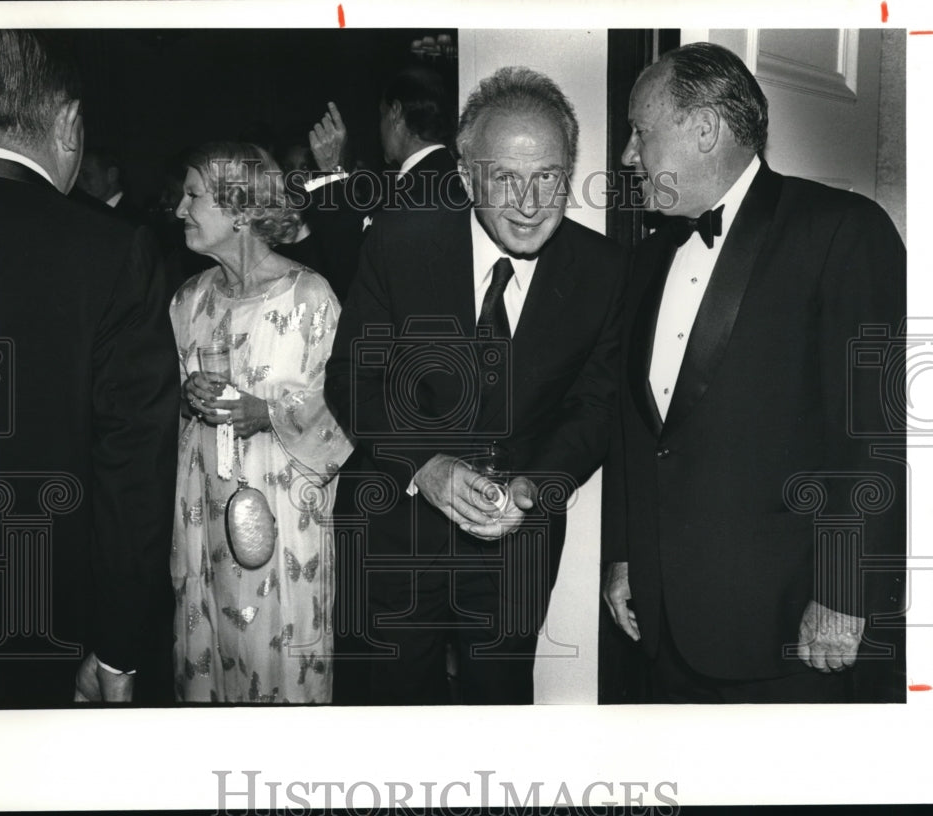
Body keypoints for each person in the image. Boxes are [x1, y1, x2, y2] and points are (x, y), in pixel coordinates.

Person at [601, 42, 907, 703]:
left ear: (705, 128)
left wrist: (845, 595)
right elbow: (638, 429)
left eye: (640, 131)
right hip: (663, 629)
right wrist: (627, 557)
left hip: (791, 632)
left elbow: (871, 438)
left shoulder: (843, 232)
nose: (628, 155)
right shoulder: (647, 257)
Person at [325, 66, 629, 705]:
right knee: (395, 715)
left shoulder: (602, 270)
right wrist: (425, 465)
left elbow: (596, 406)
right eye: (506, 178)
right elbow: (354, 377)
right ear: (466, 178)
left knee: (500, 710)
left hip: (517, 544)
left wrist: (537, 483)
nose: (528, 203)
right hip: (398, 528)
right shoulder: (399, 243)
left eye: (547, 177)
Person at [0, 30, 179, 707]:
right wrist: (118, 645)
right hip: (36, 615)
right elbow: (131, 473)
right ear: (69, 126)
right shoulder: (111, 255)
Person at [170, 141, 352, 703]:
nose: (180, 208)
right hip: (205, 521)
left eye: (194, 195)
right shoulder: (188, 301)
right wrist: (184, 397)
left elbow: (349, 412)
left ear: (241, 209)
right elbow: (161, 412)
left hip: (285, 528)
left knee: (281, 673)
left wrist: (266, 412)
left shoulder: (310, 299)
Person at [299, 66, 468, 300]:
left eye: (381, 115)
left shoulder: (420, 191)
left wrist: (330, 172)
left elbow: (358, 278)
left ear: (395, 113)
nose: (379, 130)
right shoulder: (447, 178)